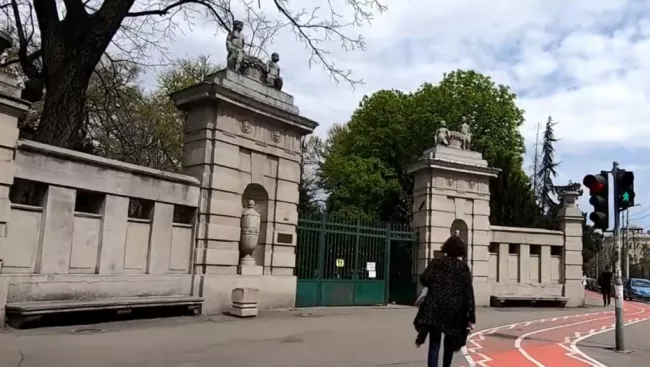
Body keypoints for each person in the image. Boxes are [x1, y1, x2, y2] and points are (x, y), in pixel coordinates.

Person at [413, 236, 476, 367]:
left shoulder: (437, 263)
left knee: (434, 344)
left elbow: (424, 278)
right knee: (450, 344)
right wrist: (471, 316)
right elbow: (468, 293)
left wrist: (435, 283)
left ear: (446, 248)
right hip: (454, 312)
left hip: (435, 308)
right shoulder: (463, 268)